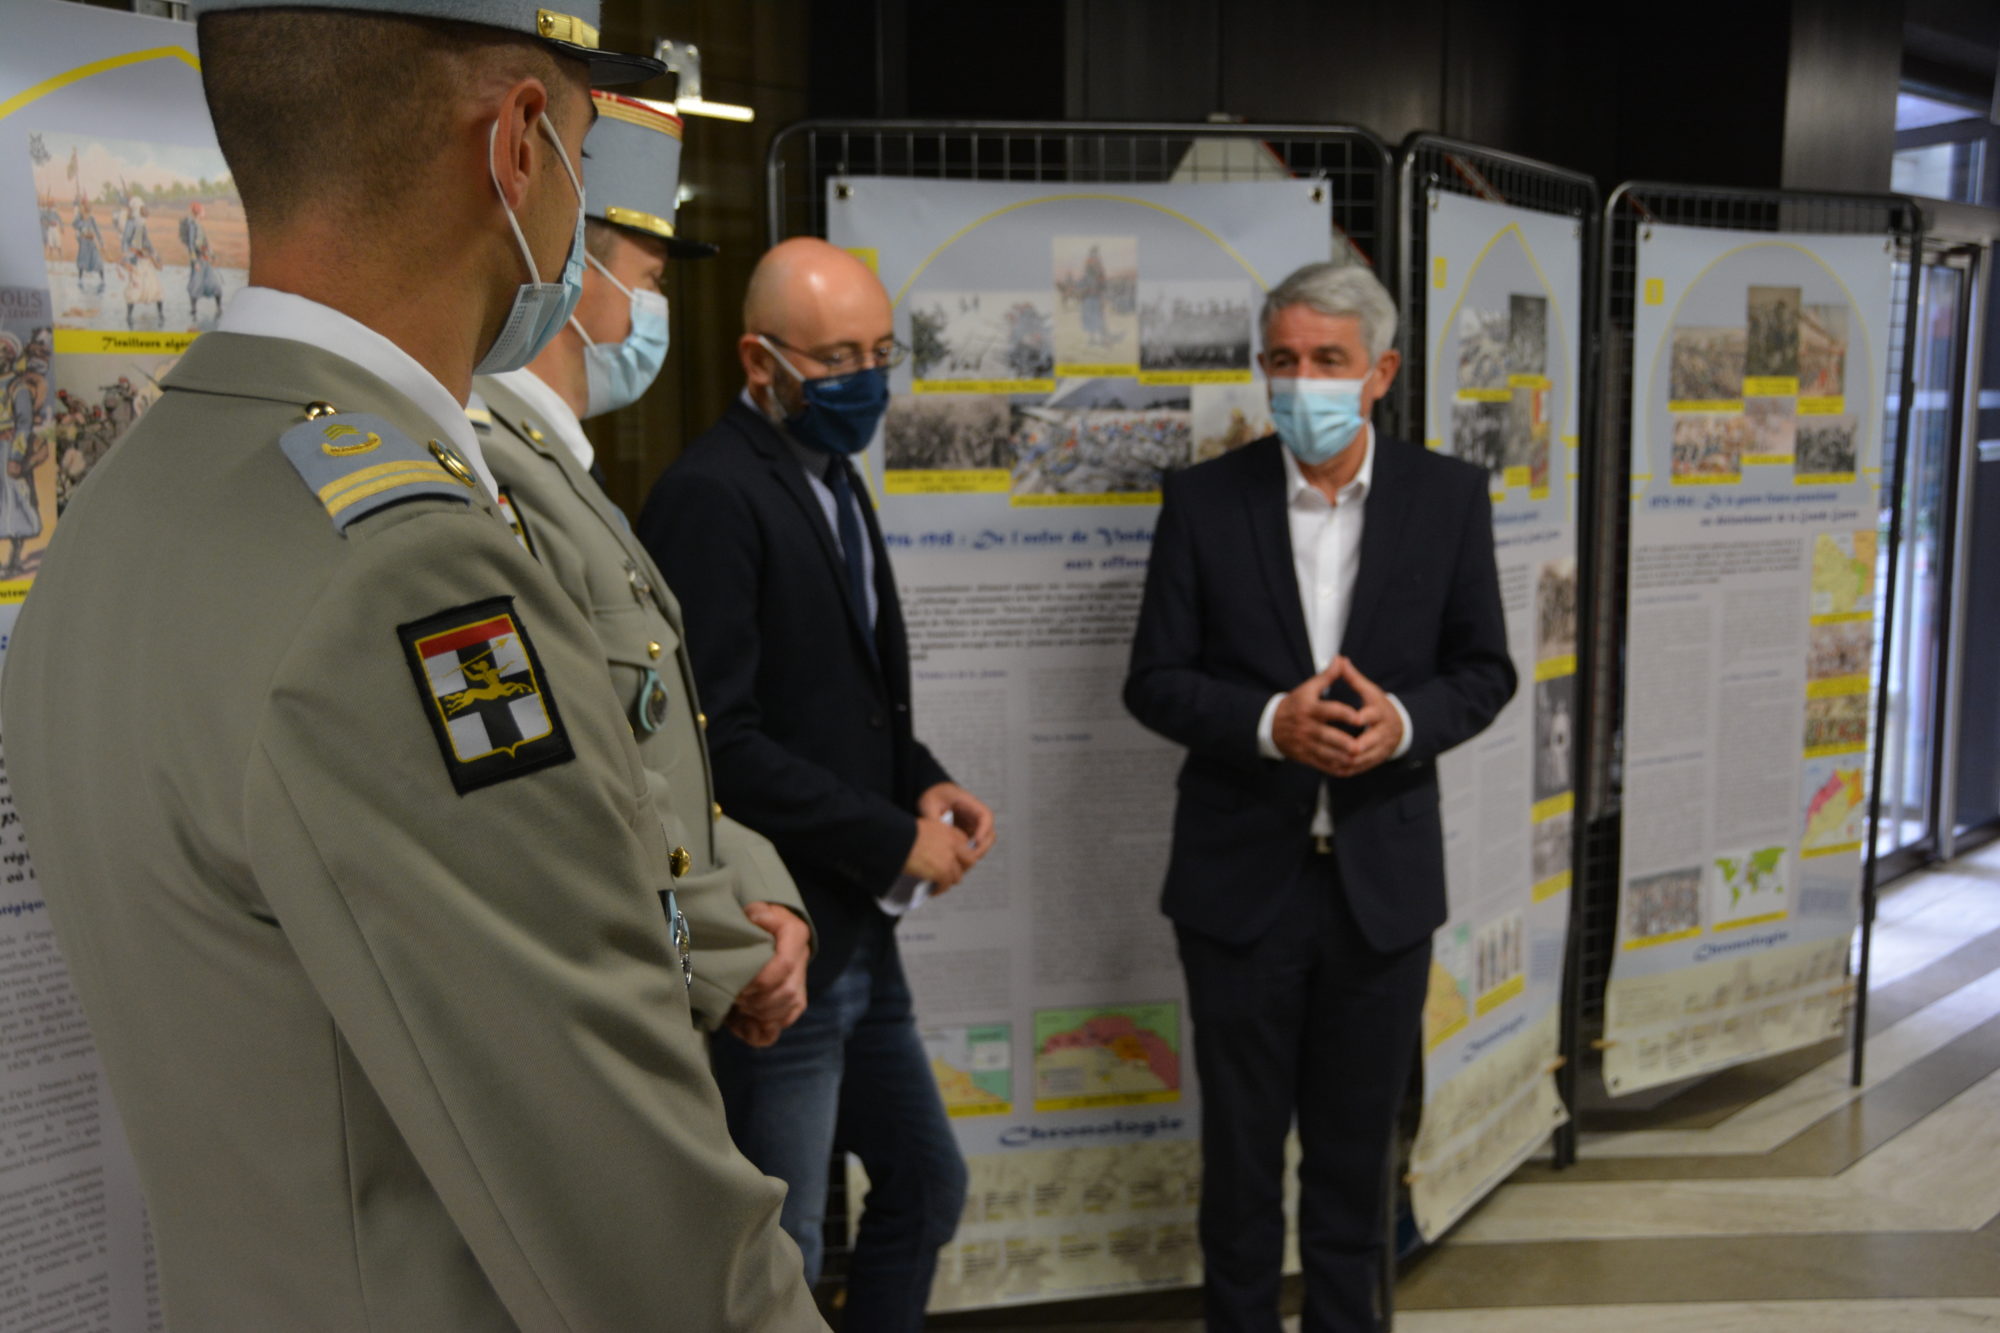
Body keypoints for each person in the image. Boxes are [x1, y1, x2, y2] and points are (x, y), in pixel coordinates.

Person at [0, 3, 824, 1329]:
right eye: (585, 132)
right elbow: (638, 1217)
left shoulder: (133, 495)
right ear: (517, 143)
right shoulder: (402, 576)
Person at [1124, 261, 1515, 1333]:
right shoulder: (1204, 500)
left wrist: (1400, 722)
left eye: (1326, 361)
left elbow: (1484, 670)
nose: (1301, 382)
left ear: (1378, 371)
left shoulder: (1446, 499)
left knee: (1353, 1183)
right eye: (1283, 360)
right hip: (1239, 892)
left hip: (1378, 893)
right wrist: (1266, 723)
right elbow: (1152, 678)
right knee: (1240, 1181)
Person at [639, 237, 996, 1332]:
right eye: (837, 357)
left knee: (926, 1185)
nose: (867, 379)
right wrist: (893, 838)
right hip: (781, 939)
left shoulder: (831, 476)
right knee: (780, 1244)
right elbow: (720, 744)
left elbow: (843, 698)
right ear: (760, 361)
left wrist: (925, 784)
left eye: (881, 351)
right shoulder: (710, 494)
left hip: (857, 937)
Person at [469, 89, 814, 1045]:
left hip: (665, 977)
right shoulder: (494, 472)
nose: (655, 307)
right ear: (573, 271)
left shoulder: (562, 467)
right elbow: (578, 782)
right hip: (606, 1006)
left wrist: (764, 894)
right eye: (649, 275)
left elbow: (666, 755)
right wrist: (735, 955)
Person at [180, 200, 226, 321]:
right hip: (198, 262)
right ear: (199, 212)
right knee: (195, 286)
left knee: (215, 285)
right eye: (203, 210)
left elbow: (205, 244)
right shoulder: (192, 225)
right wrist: (195, 262)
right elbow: (191, 245)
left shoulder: (199, 225)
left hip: (205, 260)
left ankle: (219, 307)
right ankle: (193, 310)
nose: (205, 212)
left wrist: (211, 255)